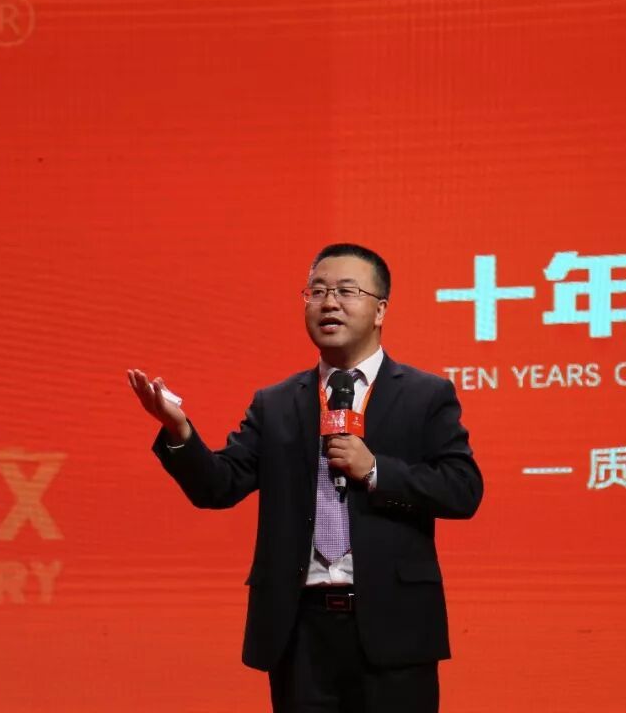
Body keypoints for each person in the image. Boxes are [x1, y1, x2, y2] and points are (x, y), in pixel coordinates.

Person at [126, 243, 483, 713]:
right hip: (299, 633)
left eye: (346, 291)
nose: (329, 302)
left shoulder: (425, 395)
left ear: (380, 310)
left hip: (394, 627)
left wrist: (375, 470)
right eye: (317, 291)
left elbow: (462, 488)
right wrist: (180, 432)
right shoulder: (275, 403)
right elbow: (218, 485)